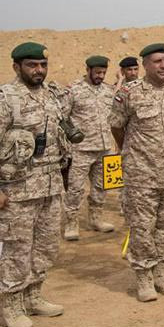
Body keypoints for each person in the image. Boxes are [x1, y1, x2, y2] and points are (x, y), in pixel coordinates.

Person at [109, 43, 164, 302]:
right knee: (142, 228)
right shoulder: (129, 93)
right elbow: (117, 126)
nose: (163, 66)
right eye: (157, 61)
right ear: (144, 65)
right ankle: (143, 278)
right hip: (141, 176)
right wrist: (132, 153)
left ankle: (161, 274)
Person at [0, 42, 66, 327]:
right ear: (17, 67)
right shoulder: (6, 98)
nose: (39, 70)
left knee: (45, 247)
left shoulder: (51, 95)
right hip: (17, 191)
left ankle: (33, 297)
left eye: (43, 65)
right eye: (32, 65)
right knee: (17, 250)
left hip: (50, 187)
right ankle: (10, 307)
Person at [63, 55, 116, 241]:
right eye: (97, 72)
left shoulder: (108, 91)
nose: (100, 76)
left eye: (103, 73)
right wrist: (69, 141)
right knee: (75, 188)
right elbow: (62, 118)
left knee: (102, 186)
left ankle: (96, 219)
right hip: (81, 149)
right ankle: (71, 222)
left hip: (105, 147)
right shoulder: (74, 90)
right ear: (88, 70)